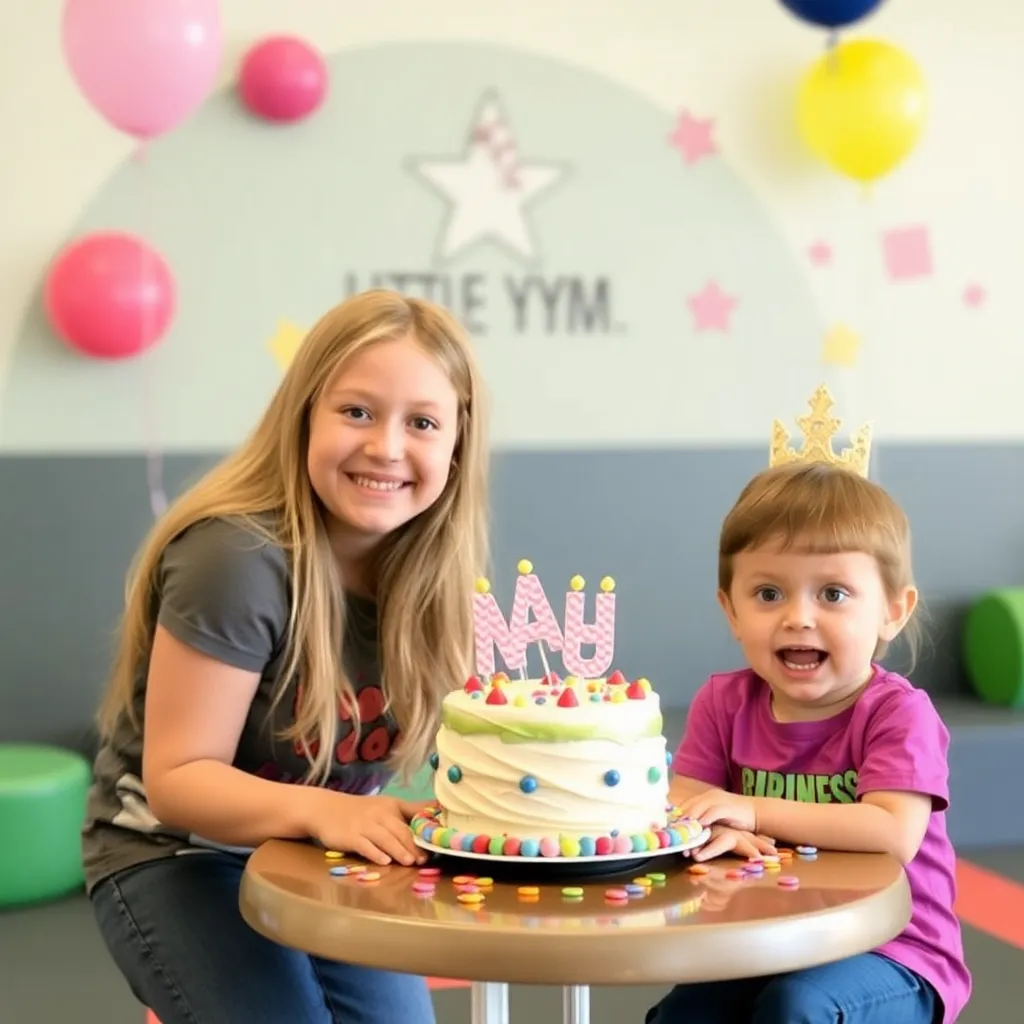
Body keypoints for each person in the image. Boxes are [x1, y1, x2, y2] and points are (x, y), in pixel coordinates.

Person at [81, 289, 490, 1024]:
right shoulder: (237, 559)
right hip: (174, 855)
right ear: (303, 413)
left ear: (457, 446)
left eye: (422, 423)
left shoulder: (429, 575)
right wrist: (326, 812)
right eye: (357, 411)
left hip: (313, 850)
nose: (386, 447)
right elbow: (177, 781)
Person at [646, 460, 971, 1024]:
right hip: (765, 942)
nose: (798, 618)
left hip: (896, 950)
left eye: (833, 594)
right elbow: (684, 806)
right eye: (769, 593)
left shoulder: (898, 714)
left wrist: (749, 809)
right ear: (731, 610)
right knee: (683, 1015)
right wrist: (717, 825)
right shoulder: (724, 703)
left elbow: (892, 831)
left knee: (799, 1008)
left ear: (892, 611)